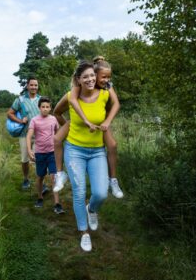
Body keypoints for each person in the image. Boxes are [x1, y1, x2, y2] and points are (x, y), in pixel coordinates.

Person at [53, 61, 110, 252]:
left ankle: (91, 209)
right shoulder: (71, 96)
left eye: (92, 75)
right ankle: (84, 232)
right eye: (85, 77)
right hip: (75, 150)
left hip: (97, 151)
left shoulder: (104, 94)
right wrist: (68, 126)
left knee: (101, 193)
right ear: (78, 80)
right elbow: (56, 112)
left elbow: (113, 108)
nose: (90, 79)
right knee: (79, 192)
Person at [53, 56, 124, 198]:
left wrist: (107, 121)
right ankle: (60, 174)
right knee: (56, 139)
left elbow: (116, 103)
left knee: (113, 145)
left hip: (100, 123)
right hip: (77, 122)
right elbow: (68, 103)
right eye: (103, 77)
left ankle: (113, 180)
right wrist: (72, 126)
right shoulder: (79, 87)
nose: (106, 80)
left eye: (108, 77)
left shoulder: (107, 87)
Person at [26, 96, 64, 214]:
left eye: (47, 107)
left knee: (54, 177)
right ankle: (40, 197)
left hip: (52, 152)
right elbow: (29, 136)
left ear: (50, 108)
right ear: (39, 108)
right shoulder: (34, 120)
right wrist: (29, 150)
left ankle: (57, 203)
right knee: (40, 176)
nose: (45, 109)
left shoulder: (53, 119)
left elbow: (58, 133)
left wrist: (60, 146)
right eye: (43, 107)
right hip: (40, 153)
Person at [7, 77, 43, 190]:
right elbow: (10, 113)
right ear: (27, 86)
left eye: (35, 85)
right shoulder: (20, 100)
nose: (33, 87)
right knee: (25, 159)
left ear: (38, 86)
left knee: (39, 158)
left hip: (39, 135)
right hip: (24, 134)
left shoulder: (41, 99)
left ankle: (40, 182)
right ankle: (26, 179)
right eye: (31, 85)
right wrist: (20, 120)